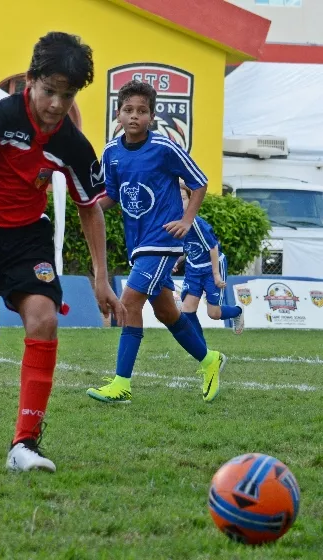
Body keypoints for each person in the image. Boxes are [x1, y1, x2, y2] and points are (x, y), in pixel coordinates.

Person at [0, 31, 125, 473]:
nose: (56, 105)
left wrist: (101, 278)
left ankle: (24, 444)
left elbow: (90, 210)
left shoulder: (72, 144)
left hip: (27, 239)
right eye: (49, 91)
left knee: (44, 320)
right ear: (31, 80)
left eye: (67, 96)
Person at [86, 80, 226, 405]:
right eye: (128, 110)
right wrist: (89, 207)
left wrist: (187, 220)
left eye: (142, 111)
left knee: (129, 303)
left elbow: (200, 182)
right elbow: (110, 195)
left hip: (163, 241)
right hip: (138, 244)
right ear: (118, 114)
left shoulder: (164, 148)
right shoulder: (111, 152)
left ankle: (121, 383)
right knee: (167, 313)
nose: (134, 116)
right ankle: (209, 361)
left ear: (151, 116)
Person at [174, 182, 244, 337]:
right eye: (176, 199)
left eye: (184, 199)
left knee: (214, 313)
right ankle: (202, 350)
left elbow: (213, 247)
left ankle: (237, 311)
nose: (180, 203)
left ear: (191, 201)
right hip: (193, 268)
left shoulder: (197, 224)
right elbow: (186, 249)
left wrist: (216, 275)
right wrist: (175, 262)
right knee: (187, 309)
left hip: (212, 267)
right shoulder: (175, 223)